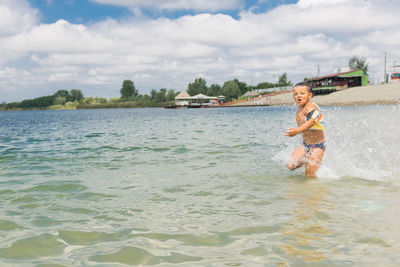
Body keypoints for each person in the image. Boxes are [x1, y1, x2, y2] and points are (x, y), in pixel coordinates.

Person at [284, 82, 325, 178]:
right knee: (290, 165)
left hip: (317, 146)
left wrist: (297, 131)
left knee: (309, 174)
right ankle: (310, 162)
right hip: (305, 145)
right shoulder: (300, 108)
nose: (298, 96)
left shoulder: (311, 106)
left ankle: (315, 190)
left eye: (302, 94)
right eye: (295, 94)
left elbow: (313, 121)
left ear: (310, 95)